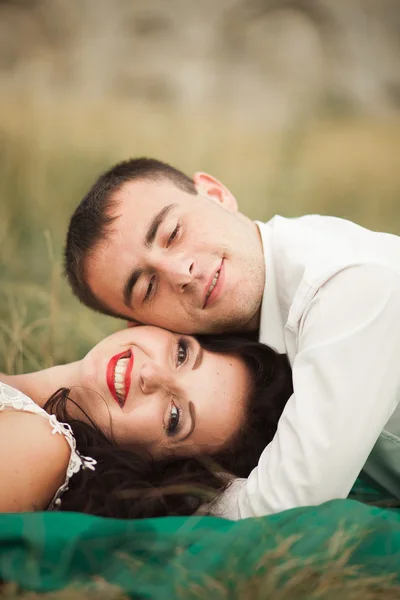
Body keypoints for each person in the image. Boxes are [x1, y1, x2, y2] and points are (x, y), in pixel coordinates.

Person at [64, 157, 400, 517]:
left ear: (216, 193)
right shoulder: (239, 354)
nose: (181, 272)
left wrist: (176, 493)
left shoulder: (346, 285)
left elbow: (283, 507)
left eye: (174, 233)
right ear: (145, 326)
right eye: (148, 287)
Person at [0, 326, 292, 516]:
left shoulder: (40, 448)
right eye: (181, 354)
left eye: (174, 417)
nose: (150, 375)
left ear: (154, 464)